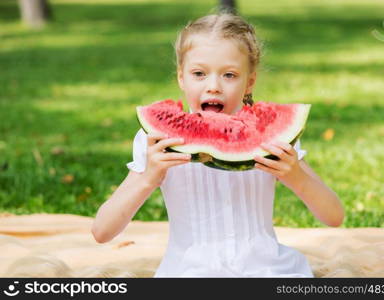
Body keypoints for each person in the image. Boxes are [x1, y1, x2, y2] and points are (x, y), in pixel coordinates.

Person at [91, 12, 344, 277]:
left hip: (267, 271)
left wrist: (296, 177)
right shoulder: (155, 142)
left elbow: (333, 216)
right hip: (188, 273)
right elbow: (102, 231)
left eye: (230, 75)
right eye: (199, 73)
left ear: (250, 82)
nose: (213, 86)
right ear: (181, 77)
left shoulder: (273, 140)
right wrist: (148, 178)